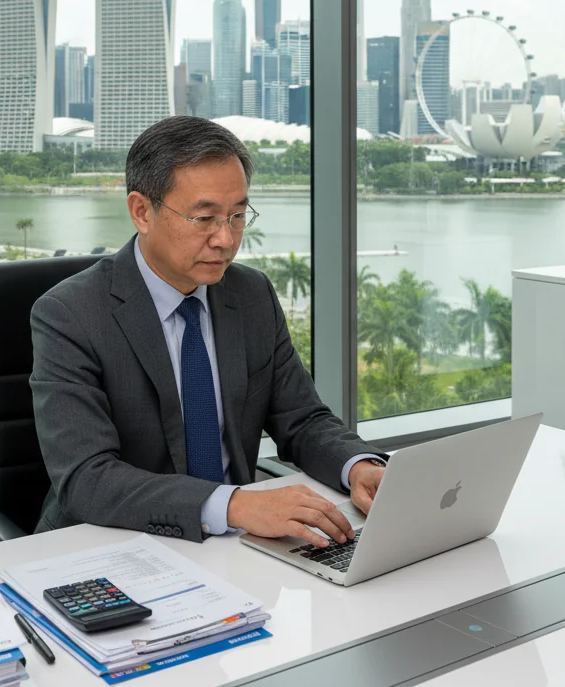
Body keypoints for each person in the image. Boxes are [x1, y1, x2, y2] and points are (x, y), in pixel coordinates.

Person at [30, 115, 386, 546]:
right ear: (142, 211)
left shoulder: (251, 295)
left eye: (238, 215)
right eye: (205, 218)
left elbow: (302, 419)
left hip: (237, 547)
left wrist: (357, 465)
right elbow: (88, 477)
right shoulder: (70, 313)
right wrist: (233, 504)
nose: (226, 239)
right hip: (111, 546)